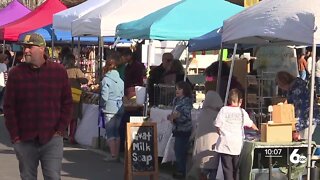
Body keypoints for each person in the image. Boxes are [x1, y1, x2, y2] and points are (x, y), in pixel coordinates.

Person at [4, 33, 73, 179]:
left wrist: (60, 129)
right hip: (25, 139)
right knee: (28, 177)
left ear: (42, 49)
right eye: (24, 47)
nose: (26, 50)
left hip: (52, 139)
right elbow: (9, 108)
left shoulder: (58, 71)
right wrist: (15, 137)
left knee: (53, 177)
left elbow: (67, 102)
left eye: (30, 47)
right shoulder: (16, 74)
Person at [214, 88, 258, 180]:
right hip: (237, 145)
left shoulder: (223, 110)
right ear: (240, 100)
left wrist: (221, 134)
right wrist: (259, 131)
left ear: (229, 100)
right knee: (236, 169)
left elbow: (217, 125)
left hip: (225, 144)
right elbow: (251, 124)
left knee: (227, 169)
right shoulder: (242, 112)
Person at [276, 71, 320, 139]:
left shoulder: (295, 90)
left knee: (305, 142)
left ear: (283, 83)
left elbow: (299, 109)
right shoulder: (299, 84)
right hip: (313, 117)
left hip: (306, 121)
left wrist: (296, 128)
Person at [193, 89, 223, 180]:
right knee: (214, 172)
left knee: (202, 172)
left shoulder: (201, 114)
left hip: (201, 151)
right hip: (214, 152)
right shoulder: (220, 115)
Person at [100, 53, 124, 161]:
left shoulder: (106, 80)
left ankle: (113, 155)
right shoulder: (120, 80)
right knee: (116, 131)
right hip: (119, 107)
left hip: (110, 108)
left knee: (110, 132)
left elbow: (104, 97)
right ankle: (117, 154)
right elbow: (122, 94)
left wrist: (101, 104)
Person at [167, 81, 193, 179]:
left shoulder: (186, 101)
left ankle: (182, 171)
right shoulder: (176, 100)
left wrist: (176, 118)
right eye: (176, 88)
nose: (177, 90)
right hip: (177, 129)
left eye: (179, 89)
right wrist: (172, 117)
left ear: (185, 90)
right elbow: (176, 113)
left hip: (184, 130)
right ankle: (180, 170)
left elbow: (186, 116)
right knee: (177, 150)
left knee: (180, 150)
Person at [63, 53, 88, 144]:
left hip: (64, 94)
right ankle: (71, 136)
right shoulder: (76, 70)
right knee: (73, 117)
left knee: (65, 115)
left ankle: (64, 134)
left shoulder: (63, 69)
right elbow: (84, 80)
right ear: (73, 61)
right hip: (74, 95)